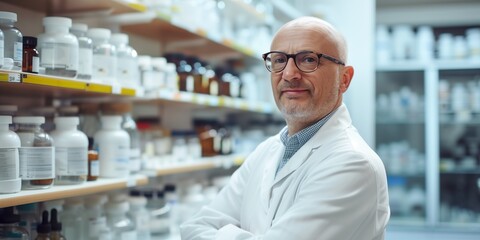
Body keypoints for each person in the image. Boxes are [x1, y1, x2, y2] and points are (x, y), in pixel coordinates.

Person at [180, 16, 390, 240]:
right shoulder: (266, 151)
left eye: (309, 59)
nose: (289, 74)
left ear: (344, 79)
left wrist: (224, 232)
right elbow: (193, 228)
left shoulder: (354, 164)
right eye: (279, 60)